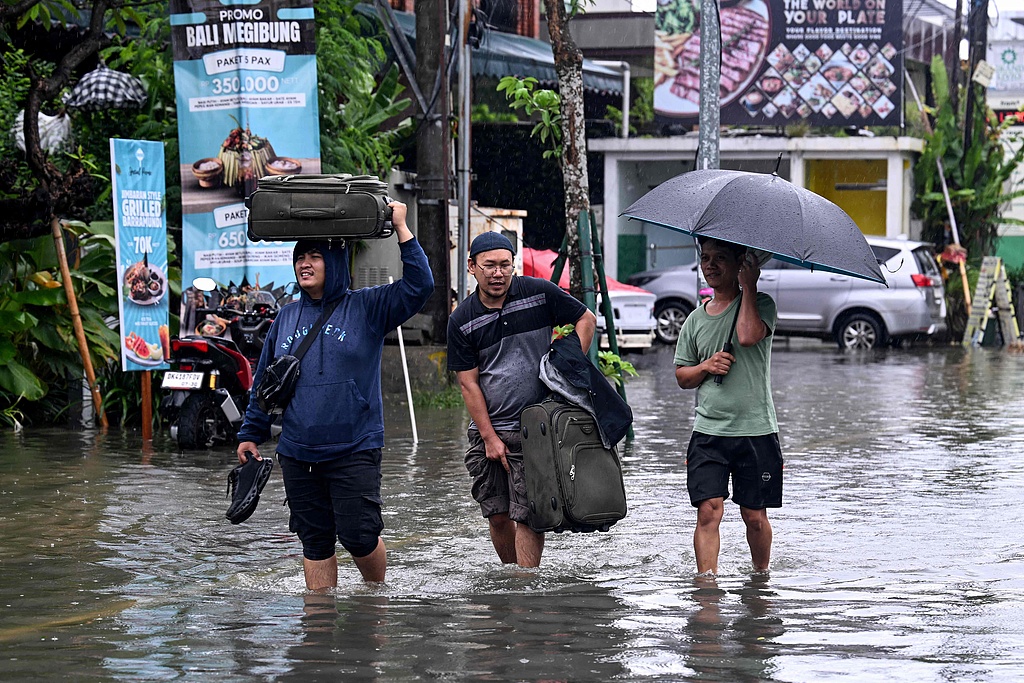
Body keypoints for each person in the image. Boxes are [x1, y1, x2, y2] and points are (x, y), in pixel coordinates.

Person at [235, 201, 432, 589]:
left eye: (315, 256)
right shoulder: (286, 317)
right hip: (297, 452)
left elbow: (419, 286)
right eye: (299, 257)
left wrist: (402, 229)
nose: (304, 264)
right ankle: (318, 630)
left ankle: (376, 600)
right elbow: (264, 382)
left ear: (335, 262)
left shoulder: (368, 307)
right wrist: (250, 432)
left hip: (354, 447)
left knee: (359, 536)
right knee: (315, 542)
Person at [447, 232, 598, 567]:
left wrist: (569, 365)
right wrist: (489, 438)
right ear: (472, 267)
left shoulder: (538, 293)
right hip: (489, 429)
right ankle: (511, 577)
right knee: (498, 514)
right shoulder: (462, 320)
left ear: (513, 266)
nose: (498, 273)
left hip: (537, 427)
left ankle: (525, 587)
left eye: (505, 265)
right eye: (489, 266)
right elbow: (468, 383)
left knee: (530, 513)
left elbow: (586, 318)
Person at [673, 237, 782, 576]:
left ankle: (760, 578)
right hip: (709, 431)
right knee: (709, 511)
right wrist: (705, 366)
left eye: (720, 258)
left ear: (740, 264)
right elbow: (682, 375)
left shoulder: (762, 304)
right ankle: (707, 588)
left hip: (756, 430)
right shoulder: (694, 320)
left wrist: (748, 288)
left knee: (754, 515)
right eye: (705, 258)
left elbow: (748, 336)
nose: (710, 265)